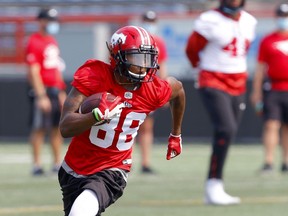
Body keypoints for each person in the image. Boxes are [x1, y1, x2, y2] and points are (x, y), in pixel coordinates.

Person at [58, 25, 185, 216]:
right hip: (73, 168)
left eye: (147, 59)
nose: (143, 66)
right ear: (118, 56)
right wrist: (94, 116)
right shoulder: (95, 76)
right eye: (137, 58)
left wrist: (176, 134)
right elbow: (65, 127)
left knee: (81, 213)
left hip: (112, 169)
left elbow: (179, 90)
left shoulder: (153, 89)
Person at [185, 0, 257, 205]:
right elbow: (192, 49)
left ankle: (214, 184)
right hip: (213, 80)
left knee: (228, 132)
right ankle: (214, 184)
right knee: (225, 128)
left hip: (239, 82)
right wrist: (201, 69)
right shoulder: (209, 20)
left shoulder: (249, 21)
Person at [26, 8, 67, 176]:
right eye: (49, 20)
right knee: (39, 127)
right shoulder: (33, 42)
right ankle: (37, 164)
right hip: (41, 90)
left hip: (54, 88)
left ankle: (57, 162)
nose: (52, 24)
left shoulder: (52, 41)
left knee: (57, 127)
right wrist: (40, 95)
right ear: (41, 21)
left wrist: (61, 90)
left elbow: (55, 68)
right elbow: (33, 71)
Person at [250, 2, 288, 174]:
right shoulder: (268, 40)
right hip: (273, 88)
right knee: (271, 124)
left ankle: (286, 162)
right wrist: (256, 91)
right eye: (281, 16)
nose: (283, 20)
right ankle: (269, 161)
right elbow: (260, 68)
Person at [137, 10, 168, 174]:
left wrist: (162, 90)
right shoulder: (134, 39)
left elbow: (161, 67)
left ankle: (145, 162)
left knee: (147, 127)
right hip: (133, 85)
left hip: (147, 87)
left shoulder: (159, 43)